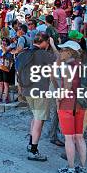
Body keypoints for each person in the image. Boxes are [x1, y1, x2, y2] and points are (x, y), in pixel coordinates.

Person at [17, 32, 56, 161]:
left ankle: (30, 144)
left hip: (27, 90)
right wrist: (53, 46)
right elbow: (59, 60)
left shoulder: (23, 53)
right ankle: (33, 151)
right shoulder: (44, 54)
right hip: (40, 91)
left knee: (35, 117)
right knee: (40, 119)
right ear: (44, 42)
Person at [56, 41, 87, 173]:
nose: (60, 52)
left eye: (62, 50)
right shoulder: (82, 66)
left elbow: (66, 88)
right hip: (81, 104)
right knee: (80, 137)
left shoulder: (67, 67)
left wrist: (58, 99)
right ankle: (83, 168)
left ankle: (71, 169)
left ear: (69, 51)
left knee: (69, 138)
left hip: (68, 104)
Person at [0, 38, 15, 104]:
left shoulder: (9, 50)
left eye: (5, 41)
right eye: (3, 41)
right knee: (0, 83)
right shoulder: (1, 50)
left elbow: (9, 58)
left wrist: (5, 51)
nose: (3, 42)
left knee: (6, 83)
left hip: (6, 67)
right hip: (0, 67)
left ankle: (6, 97)